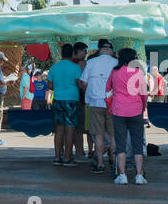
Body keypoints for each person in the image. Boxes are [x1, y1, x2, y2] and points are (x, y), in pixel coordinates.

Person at [105, 48, 149, 184]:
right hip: (135, 110)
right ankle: (139, 176)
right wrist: (142, 107)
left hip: (118, 110)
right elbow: (143, 93)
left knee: (120, 144)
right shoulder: (138, 72)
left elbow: (108, 90)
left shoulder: (115, 71)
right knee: (137, 144)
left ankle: (122, 175)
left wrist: (110, 105)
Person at [80, 39, 118, 173]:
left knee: (99, 135)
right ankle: (115, 162)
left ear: (99, 50)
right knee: (114, 135)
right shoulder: (116, 63)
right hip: (113, 104)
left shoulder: (91, 62)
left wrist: (90, 92)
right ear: (111, 51)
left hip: (95, 103)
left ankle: (100, 164)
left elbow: (83, 82)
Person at [47, 44, 82, 165]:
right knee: (70, 128)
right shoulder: (76, 67)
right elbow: (79, 83)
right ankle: (67, 157)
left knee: (59, 129)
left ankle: (57, 157)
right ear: (72, 54)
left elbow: (50, 86)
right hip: (72, 99)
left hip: (58, 99)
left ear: (61, 53)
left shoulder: (54, 67)